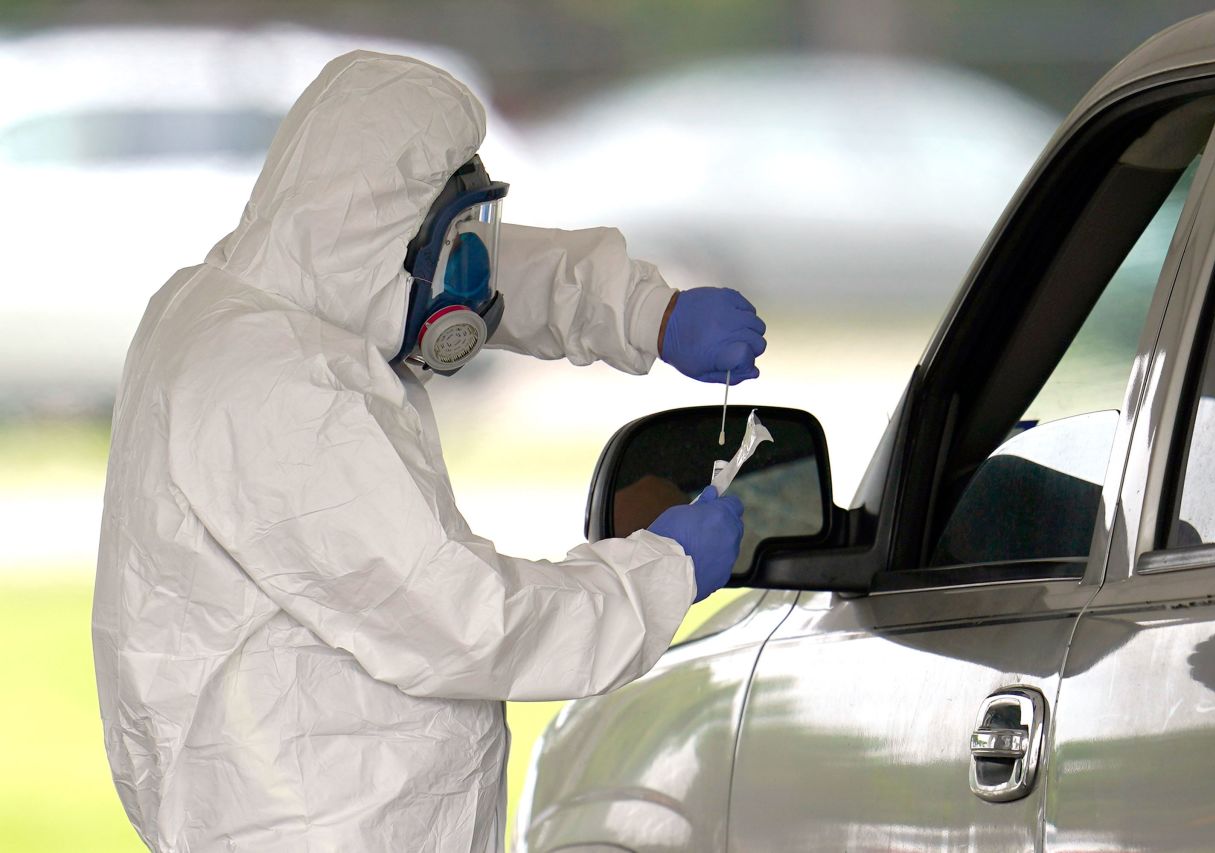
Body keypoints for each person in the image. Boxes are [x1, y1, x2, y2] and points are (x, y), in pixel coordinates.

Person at [91, 51, 765, 852]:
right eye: (452, 233)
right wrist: (658, 572)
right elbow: (467, 619)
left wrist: (644, 310)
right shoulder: (277, 392)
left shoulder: (244, 301)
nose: (471, 273)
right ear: (381, 235)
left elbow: (456, 270)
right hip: (314, 824)